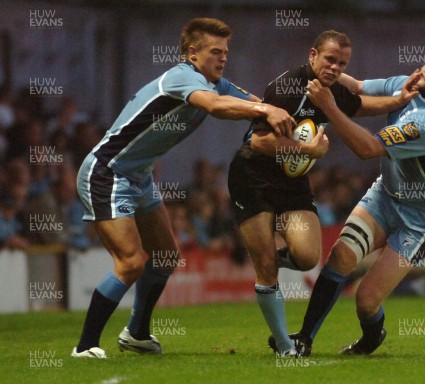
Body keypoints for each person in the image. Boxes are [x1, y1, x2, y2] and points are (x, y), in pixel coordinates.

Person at [71, 17, 296, 359]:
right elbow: (217, 107)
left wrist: (299, 115)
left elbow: (253, 104)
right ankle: (85, 346)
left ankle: (137, 332)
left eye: (226, 52)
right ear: (193, 53)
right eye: (215, 51)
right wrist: (264, 108)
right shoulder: (182, 77)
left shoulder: (214, 82)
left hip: (140, 177)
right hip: (107, 172)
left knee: (165, 257)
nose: (223, 58)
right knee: (131, 263)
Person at [227, 30, 411, 357]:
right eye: (329, 60)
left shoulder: (332, 91)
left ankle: (269, 258)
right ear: (313, 55)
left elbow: (363, 105)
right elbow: (258, 141)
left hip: (292, 181)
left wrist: (399, 100)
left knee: (308, 257)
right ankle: (286, 346)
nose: (335, 68)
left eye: (341, 63)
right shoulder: (287, 88)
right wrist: (306, 151)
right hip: (253, 175)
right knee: (267, 268)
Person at [288, 52, 425, 355]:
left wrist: (329, 106)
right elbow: (357, 87)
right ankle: (304, 338)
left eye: (423, 74)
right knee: (341, 257)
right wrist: (321, 70)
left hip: (421, 218)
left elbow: (368, 148)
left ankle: (372, 337)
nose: (415, 74)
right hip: (386, 195)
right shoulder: (408, 86)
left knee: (366, 300)